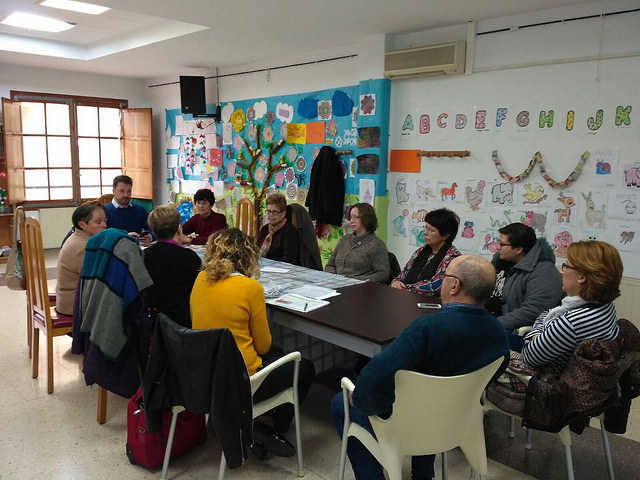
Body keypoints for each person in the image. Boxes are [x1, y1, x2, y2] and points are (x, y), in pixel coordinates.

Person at [331, 255, 509, 480]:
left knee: (341, 402)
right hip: (455, 420)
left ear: (454, 285)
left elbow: (376, 376)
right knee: (429, 394)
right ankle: (423, 475)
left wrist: (360, 399)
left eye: (444, 276)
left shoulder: (427, 328)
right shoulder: (498, 333)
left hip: (409, 423)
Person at [190, 228, 315, 456]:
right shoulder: (250, 288)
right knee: (304, 367)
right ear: (247, 255)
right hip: (240, 380)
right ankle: (275, 428)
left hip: (207, 373)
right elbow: (263, 346)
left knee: (278, 353)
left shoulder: (200, 278)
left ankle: (251, 420)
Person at [522, 240, 622, 371]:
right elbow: (547, 314)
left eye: (566, 266)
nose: (561, 272)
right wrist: (543, 332)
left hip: (550, 377)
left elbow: (529, 356)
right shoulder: (606, 306)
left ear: (581, 277)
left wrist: (536, 333)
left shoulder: (571, 322)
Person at [486, 223, 562, 332]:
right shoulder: (501, 262)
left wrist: (491, 325)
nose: (498, 247)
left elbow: (533, 311)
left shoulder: (545, 273)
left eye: (502, 244)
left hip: (515, 333)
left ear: (518, 249)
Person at [143, 205, 201, 328]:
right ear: (179, 227)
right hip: (184, 321)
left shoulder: (145, 255)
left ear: (153, 229)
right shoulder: (189, 257)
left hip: (154, 321)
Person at [391, 208, 461, 294]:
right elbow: (405, 272)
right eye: (426, 228)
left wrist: (406, 288)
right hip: (409, 296)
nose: (425, 233)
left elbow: (435, 286)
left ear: (446, 235)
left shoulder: (453, 258)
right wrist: (396, 282)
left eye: (432, 230)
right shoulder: (420, 251)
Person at [55, 202, 107, 316]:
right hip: (74, 305)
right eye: (98, 222)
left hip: (70, 298)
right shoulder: (83, 247)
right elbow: (98, 279)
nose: (104, 225)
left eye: (105, 221)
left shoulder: (78, 237)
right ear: (83, 225)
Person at [325, 203, 390, 283]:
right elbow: (330, 265)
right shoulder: (344, 239)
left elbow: (383, 274)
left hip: (359, 287)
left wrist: (356, 281)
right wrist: (334, 278)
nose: (351, 221)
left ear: (367, 219)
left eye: (356, 217)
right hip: (335, 283)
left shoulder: (377, 244)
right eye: (350, 217)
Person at [104, 175, 151, 244]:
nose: (126, 195)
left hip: (138, 248)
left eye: (129, 191)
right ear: (113, 191)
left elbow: (154, 229)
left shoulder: (140, 210)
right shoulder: (104, 212)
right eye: (122, 191)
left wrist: (150, 237)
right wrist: (125, 236)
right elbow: (101, 237)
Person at [257, 193, 300, 265]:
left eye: (274, 212)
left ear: (283, 213)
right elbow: (256, 250)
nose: (270, 215)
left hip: (280, 268)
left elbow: (288, 260)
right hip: (263, 266)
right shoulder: (265, 229)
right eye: (268, 211)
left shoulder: (290, 231)